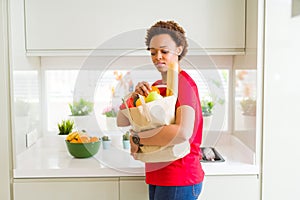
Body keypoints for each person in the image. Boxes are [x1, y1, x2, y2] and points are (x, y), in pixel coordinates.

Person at [117, 20, 204, 200]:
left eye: (164, 51)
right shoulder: (157, 87)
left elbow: (182, 132)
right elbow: (122, 120)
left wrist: (137, 138)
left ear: (178, 50)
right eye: (153, 52)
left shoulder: (184, 84)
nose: (158, 57)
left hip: (179, 177)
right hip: (159, 174)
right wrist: (134, 97)